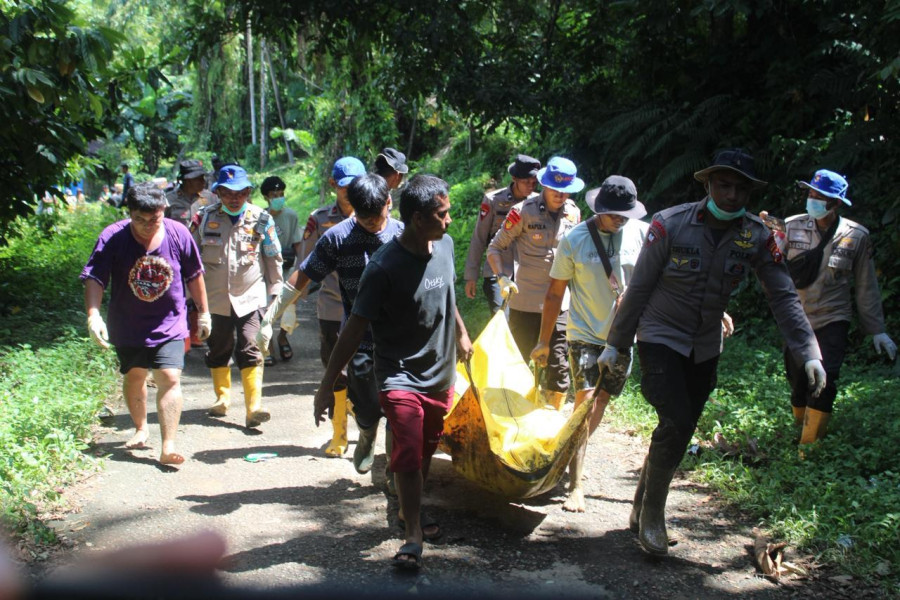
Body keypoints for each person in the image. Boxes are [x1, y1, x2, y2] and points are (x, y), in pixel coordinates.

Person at [600, 148, 826, 557]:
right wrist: (615, 344)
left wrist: (809, 351)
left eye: (742, 188)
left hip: (705, 344)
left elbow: (784, 297)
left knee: (678, 427)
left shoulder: (757, 236)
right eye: (724, 184)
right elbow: (639, 289)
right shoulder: (669, 224)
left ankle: (638, 505)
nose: (733, 194)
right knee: (677, 418)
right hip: (660, 335)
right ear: (708, 184)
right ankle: (653, 515)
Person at [313, 174, 473, 570]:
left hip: (439, 373)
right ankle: (413, 531)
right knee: (405, 447)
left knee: (424, 447)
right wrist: (326, 383)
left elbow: (447, 296)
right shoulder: (383, 268)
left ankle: (406, 508)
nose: (449, 220)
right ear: (418, 219)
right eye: (443, 214)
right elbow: (353, 329)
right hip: (398, 374)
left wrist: (463, 335)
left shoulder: (446, 246)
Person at [258, 171, 404, 474]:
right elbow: (304, 274)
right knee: (366, 407)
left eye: (377, 218)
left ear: (389, 202)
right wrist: (276, 311)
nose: (373, 225)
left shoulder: (403, 235)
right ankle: (365, 432)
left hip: (398, 338)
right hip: (358, 339)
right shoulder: (337, 237)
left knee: (400, 410)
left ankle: (395, 472)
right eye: (365, 219)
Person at [530, 176, 648, 512]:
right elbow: (555, 292)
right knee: (584, 403)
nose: (620, 219)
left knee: (600, 403)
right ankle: (576, 485)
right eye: (613, 214)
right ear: (599, 210)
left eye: (625, 214)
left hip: (623, 337)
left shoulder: (642, 234)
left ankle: (564, 452)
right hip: (583, 334)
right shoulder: (576, 239)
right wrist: (543, 339)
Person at [81, 183, 211, 466]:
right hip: (128, 324)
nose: (147, 226)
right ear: (130, 214)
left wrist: (204, 312)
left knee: (169, 377)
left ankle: (168, 445)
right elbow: (95, 278)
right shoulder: (113, 237)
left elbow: (194, 275)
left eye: (154, 219)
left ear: (163, 210)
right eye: (139, 219)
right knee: (136, 375)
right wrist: (94, 315)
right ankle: (141, 428)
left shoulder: (178, 234)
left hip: (170, 322)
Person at [774, 170, 896, 445]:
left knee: (825, 381)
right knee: (798, 381)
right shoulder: (790, 227)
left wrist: (876, 330)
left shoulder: (856, 235)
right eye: (811, 194)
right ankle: (800, 428)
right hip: (797, 317)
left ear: (836, 203)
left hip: (833, 317)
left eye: (820, 197)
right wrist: (771, 244)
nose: (813, 200)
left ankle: (809, 448)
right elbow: (771, 267)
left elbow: (866, 285)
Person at [191, 165, 283, 430]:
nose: (234, 198)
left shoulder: (262, 219)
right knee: (218, 346)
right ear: (218, 192)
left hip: (250, 296)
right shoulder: (203, 219)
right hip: (215, 298)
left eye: (241, 193)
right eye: (228, 193)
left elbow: (273, 259)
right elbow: (191, 259)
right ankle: (222, 397)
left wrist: (276, 294)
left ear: (248, 193)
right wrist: (191, 300)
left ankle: (253, 407)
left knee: (250, 345)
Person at [487, 156, 582, 409]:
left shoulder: (574, 214)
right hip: (525, 303)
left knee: (559, 368)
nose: (560, 196)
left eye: (566, 191)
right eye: (555, 189)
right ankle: (512, 417)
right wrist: (502, 278)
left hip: (560, 305)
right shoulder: (522, 213)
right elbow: (495, 248)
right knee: (517, 365)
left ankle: (549, 426)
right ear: (544, 185)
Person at [288, 158, 360, 455]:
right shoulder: (318, 219)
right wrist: (289, 304)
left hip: (365, 307)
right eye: (345, 186)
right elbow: (304, 264)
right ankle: (338, 432)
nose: (351, 192)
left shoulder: (376, 213)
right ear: (333, 185)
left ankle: (362, 420)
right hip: (331, 305)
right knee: (334, 369)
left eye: (356, 185)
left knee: (366, 370)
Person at [464, 154, 540, 314]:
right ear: (514, 178)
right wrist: (471, 276)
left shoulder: (538, 202)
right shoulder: (493, 200)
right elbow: (479, 237)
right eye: (526, 182)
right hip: (497, 270)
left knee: (521, 323)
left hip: (526, 272)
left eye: (534, 182)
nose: (530, 186)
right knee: (501, 315)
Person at [258, 176, 304, 366]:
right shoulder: (260, 216)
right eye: (273, 195)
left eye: (281, 194)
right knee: (264, 307)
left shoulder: (291, 216)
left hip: (286, 268)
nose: (278, 197)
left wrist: (301, 267)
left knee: (288, 306)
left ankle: (283, 337)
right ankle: (265, 345)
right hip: (265, 269)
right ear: (266, 197)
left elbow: (297, 244)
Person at [166, 160, 214, 229]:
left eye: (203, 178)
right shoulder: (169, 200)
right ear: (188, 180)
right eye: (199, 179)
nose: (203, 181)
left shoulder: (210, 198)